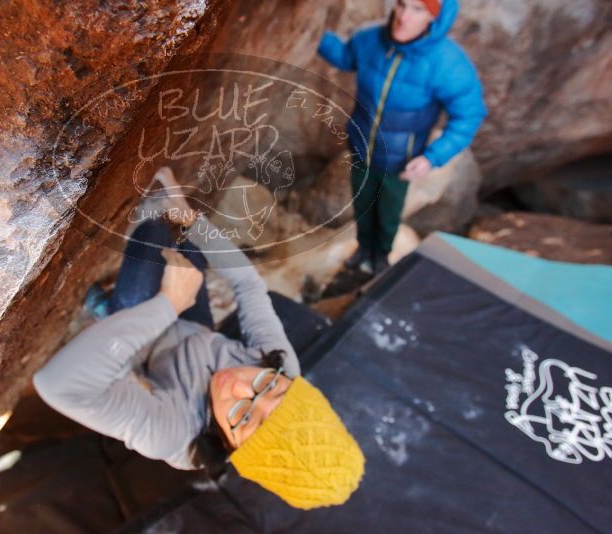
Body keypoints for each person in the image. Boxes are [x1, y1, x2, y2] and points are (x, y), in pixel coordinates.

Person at [33, 167, 365, 510]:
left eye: (244, 417)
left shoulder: (173, 435)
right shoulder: (283, 366)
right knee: (186, 244)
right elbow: (249, 285)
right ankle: (117, 309)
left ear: (233, 449)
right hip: (194, 331)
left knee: (150, 237)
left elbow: (57, 385)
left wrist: (168, 304)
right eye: (270, 387)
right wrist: (189, 218)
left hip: (146, 353)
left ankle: (114, 313)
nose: (237, 385)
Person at [318, 0, 487, 275]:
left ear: (434, 19)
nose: (404, 17)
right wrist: (314, 32)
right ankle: (363, 249)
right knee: (361, 203)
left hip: (400, 159)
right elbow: (345, 57)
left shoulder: (447, 63)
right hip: (362, 146)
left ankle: (381, 257)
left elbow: (469, 115)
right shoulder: (371, 39)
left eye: (418, 10)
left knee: (388, 213)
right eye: (401, 4)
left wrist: (432, 157)